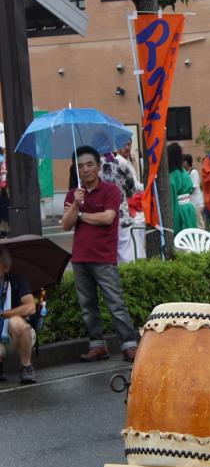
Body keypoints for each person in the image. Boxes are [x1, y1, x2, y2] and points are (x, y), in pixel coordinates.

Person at [62, 145, 138, 363]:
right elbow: (66, 224)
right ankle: (97, 346)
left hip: (103, 257)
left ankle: (129, 345)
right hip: (80, 258)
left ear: (98, 166)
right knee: (88, 307)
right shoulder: (73, 194)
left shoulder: (110, 191)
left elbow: (107, 218)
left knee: (116, 303)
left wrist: (81, 214)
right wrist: (76, 204)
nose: (85, 170)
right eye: (80, 166)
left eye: (89, 164)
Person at [0, 247, 37, 383]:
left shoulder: (17, 280)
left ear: (5, 267)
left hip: (16, 336)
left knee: (16, 322)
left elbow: (31, 307)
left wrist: (4, 314)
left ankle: (26, 366)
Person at [100, 151, 136, 263]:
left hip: (103, 213)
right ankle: (128, 276)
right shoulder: (121, 164)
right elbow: (131, 187)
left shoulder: (96, 167)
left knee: (108, 248)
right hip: (122, 211)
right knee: (125, 247)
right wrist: (126, 194)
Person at [167, 143, 196, 235]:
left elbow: (172, 198)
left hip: (179, 210)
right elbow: (191, 188)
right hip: (189, 208)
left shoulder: (172, 175)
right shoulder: (183, 171)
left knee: (180, 238)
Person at [183, 153, 205, 228]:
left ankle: (203, 236)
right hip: (192, 202)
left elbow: (193, 187)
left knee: (199, 222)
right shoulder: (186, 172)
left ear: (186, 162)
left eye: (182, 162)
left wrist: (183, 191)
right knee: (195, 222)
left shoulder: (193, 172)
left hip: (197, 202)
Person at [0, 148, 9, 238]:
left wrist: (6, 172)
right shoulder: (2, 163)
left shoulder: (10, 163)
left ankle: (8, 230)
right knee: (2, 210)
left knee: (7, 209)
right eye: (4, 153)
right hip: (2, 188)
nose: (5, 155)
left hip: (7, 189)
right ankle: (3, 230)